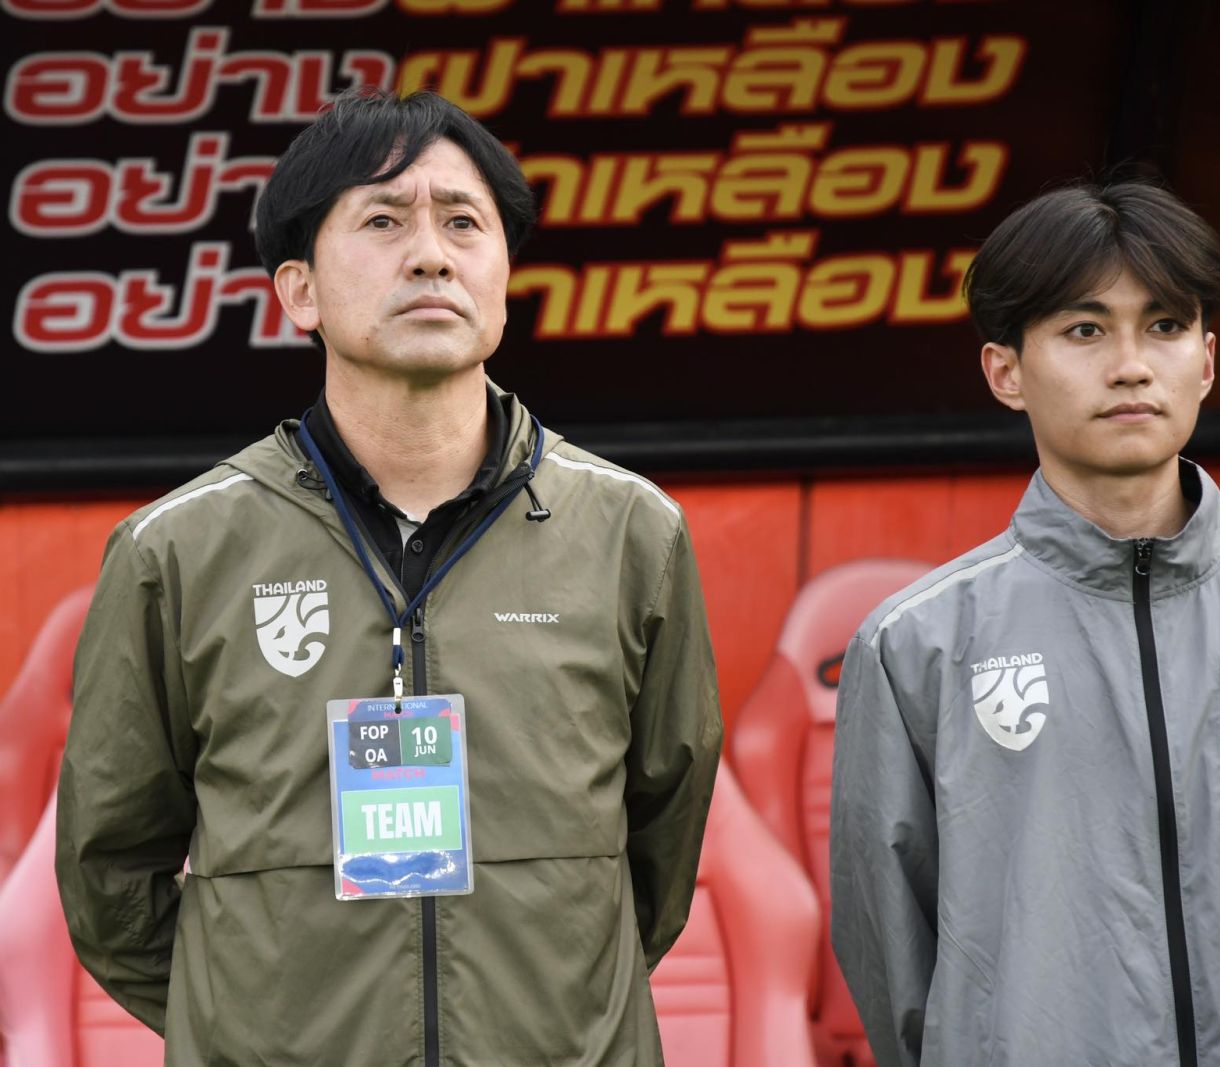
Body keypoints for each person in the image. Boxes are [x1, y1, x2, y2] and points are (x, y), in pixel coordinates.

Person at [55, 89, 722, 1066]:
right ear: (299, 291)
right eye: (382, 220)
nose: (430, 255)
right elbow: (110, 871)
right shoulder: (176, 551)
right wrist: (250, 1025)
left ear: (503, 276)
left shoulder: (631, 533)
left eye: (463, 222)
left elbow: (659, 852)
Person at [830, 180, 1220, 1066]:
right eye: (1085, 330)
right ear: (1006, 372)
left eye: (1165, 325)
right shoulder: (917, 645)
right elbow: (892, 960)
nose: (1132, 365)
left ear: (1208, 361)